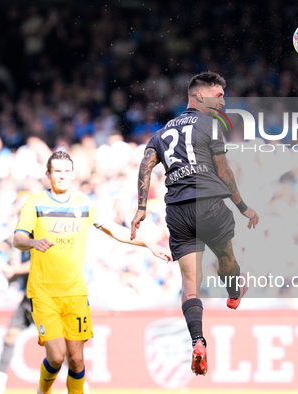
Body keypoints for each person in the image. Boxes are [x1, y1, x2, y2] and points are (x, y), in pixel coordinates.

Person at [130, 71, 259, 376]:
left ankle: (198, 341)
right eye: (219, 95)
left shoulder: (160, 134)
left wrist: (140, 207)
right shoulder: (210, 125)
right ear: (200, 95)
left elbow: (145, 164)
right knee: (227, 257)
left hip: (177, 211)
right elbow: (223, 171)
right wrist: (242, 206)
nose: (223, 101)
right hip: (209, 203)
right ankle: (233, 292)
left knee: (190, 285)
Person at [14, 151, 171, 394]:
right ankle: (42, 392)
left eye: (67, 172)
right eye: (57, 171)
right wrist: (33, 243)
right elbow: (18, 237)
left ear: (74, 174)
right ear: (48, 175)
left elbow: (115, 230)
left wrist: (149, 244)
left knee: (76, 359)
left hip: (75, 293)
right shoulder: (34, 203)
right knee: (56, 356)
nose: (62, 176)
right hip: (44, 293)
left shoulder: (84, 205)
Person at [0, 251, 91, 394]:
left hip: (44, 301)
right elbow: (24, 271)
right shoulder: (23, 248)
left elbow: (38, 263)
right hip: (28, 300)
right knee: (10, 335)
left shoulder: (42, 237)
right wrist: (5, 280)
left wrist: (13, 269)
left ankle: (80, 383)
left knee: (57, 349)